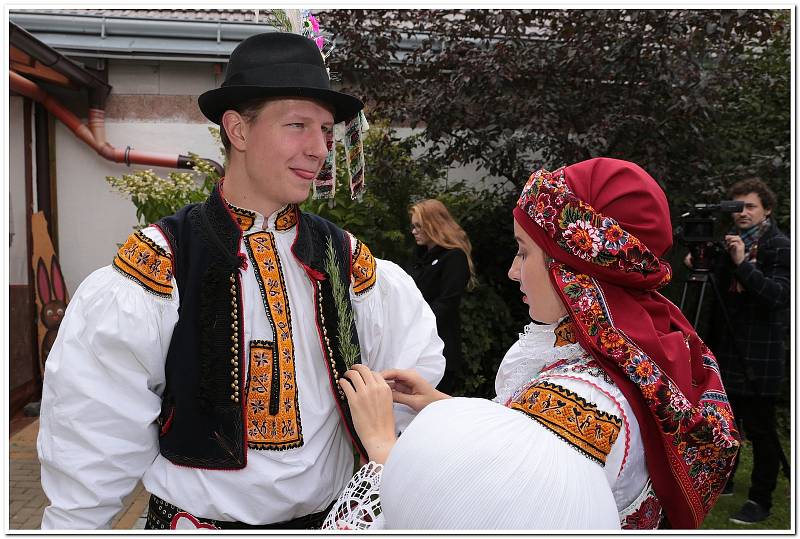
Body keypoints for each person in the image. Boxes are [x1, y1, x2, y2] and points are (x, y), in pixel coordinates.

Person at [37, 32, 444, 530]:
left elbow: (406, 387)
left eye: (324, 130)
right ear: (238, 130)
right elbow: (95, 429)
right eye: (297, 125)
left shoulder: (348, 262)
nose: (318, 149)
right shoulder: (162, 263)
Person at [323, 158, 740, 530]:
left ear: (571, 270)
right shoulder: (629, 352)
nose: (512, 271)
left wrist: (382, 448)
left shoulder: (584, 400)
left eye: (523, 253)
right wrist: (440, 405)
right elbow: (523, 435)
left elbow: (475, 514)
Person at [687, 178, 789, 524]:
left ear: (768, 209)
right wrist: (703, 261)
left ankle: (761, 500)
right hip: (726, 350)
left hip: (761, 355)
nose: (743, 213)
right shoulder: (727, 245)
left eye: (751, 207)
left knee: (761, 431)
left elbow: (778, 296)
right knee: (725, 421)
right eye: (738, 207)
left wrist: (742, 264)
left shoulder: (780, 246)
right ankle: (724, 480)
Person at [408, 199, 477, 393]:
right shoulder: (418, 256)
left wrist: (415, 324)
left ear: (434, 224)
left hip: (440, 346)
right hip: (416, 345)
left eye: (419, 226)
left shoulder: (454, 257)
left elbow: (447, 302)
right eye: (413, 226)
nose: (414, 231)